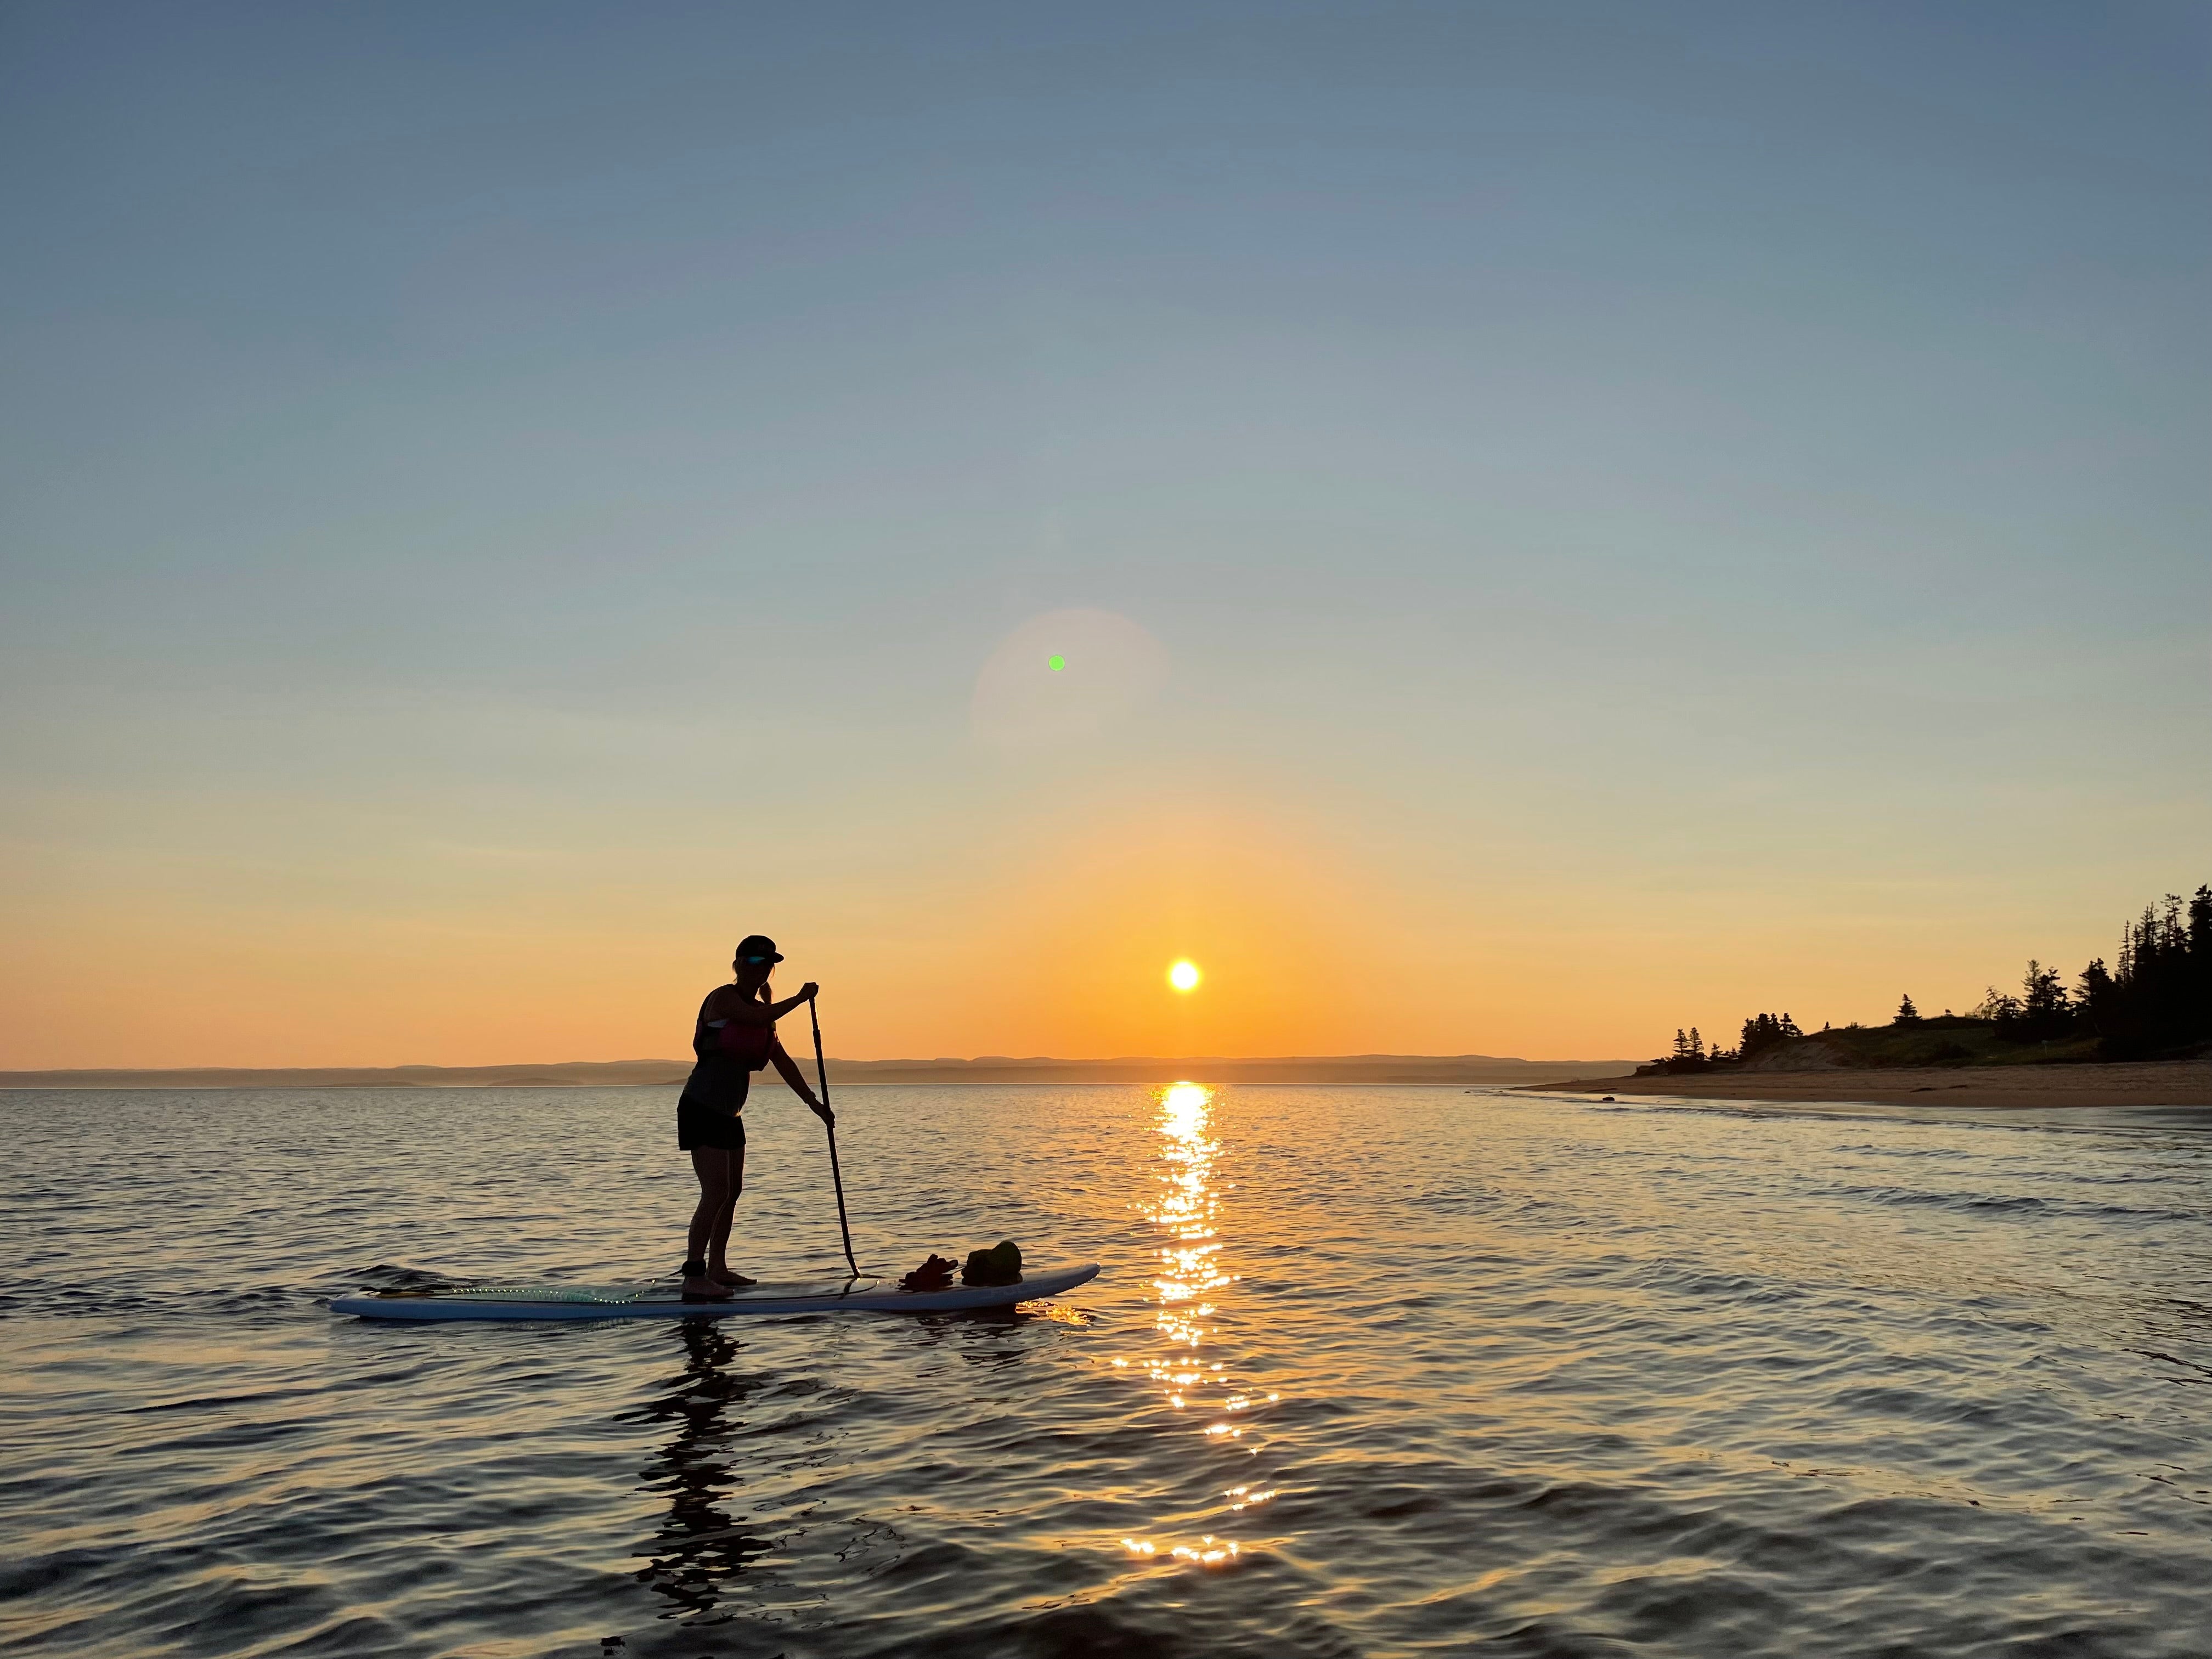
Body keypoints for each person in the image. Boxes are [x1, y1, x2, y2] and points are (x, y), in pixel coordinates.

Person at [675, 935, 833, 1300]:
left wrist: (815, 1105)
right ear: (739, 964)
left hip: (730, 1113)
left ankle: (718, 1268)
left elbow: (783, 1062)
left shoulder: (764, 1015)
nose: (761, 969)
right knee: (715, 1191)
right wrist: (799, 998)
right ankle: (694, 1275)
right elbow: (757, 1016)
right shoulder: (724, 999)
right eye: (754, 962)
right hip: (702, 1106)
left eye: (768, 964)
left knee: (732, 1192)